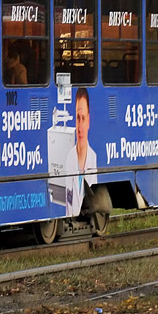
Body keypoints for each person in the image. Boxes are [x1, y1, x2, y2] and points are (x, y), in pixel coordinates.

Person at [63, 86, 97, 216]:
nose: (80, 126)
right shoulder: (69, 158)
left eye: (83, 118)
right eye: (77, 118)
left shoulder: (94, 158)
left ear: (88, 121)